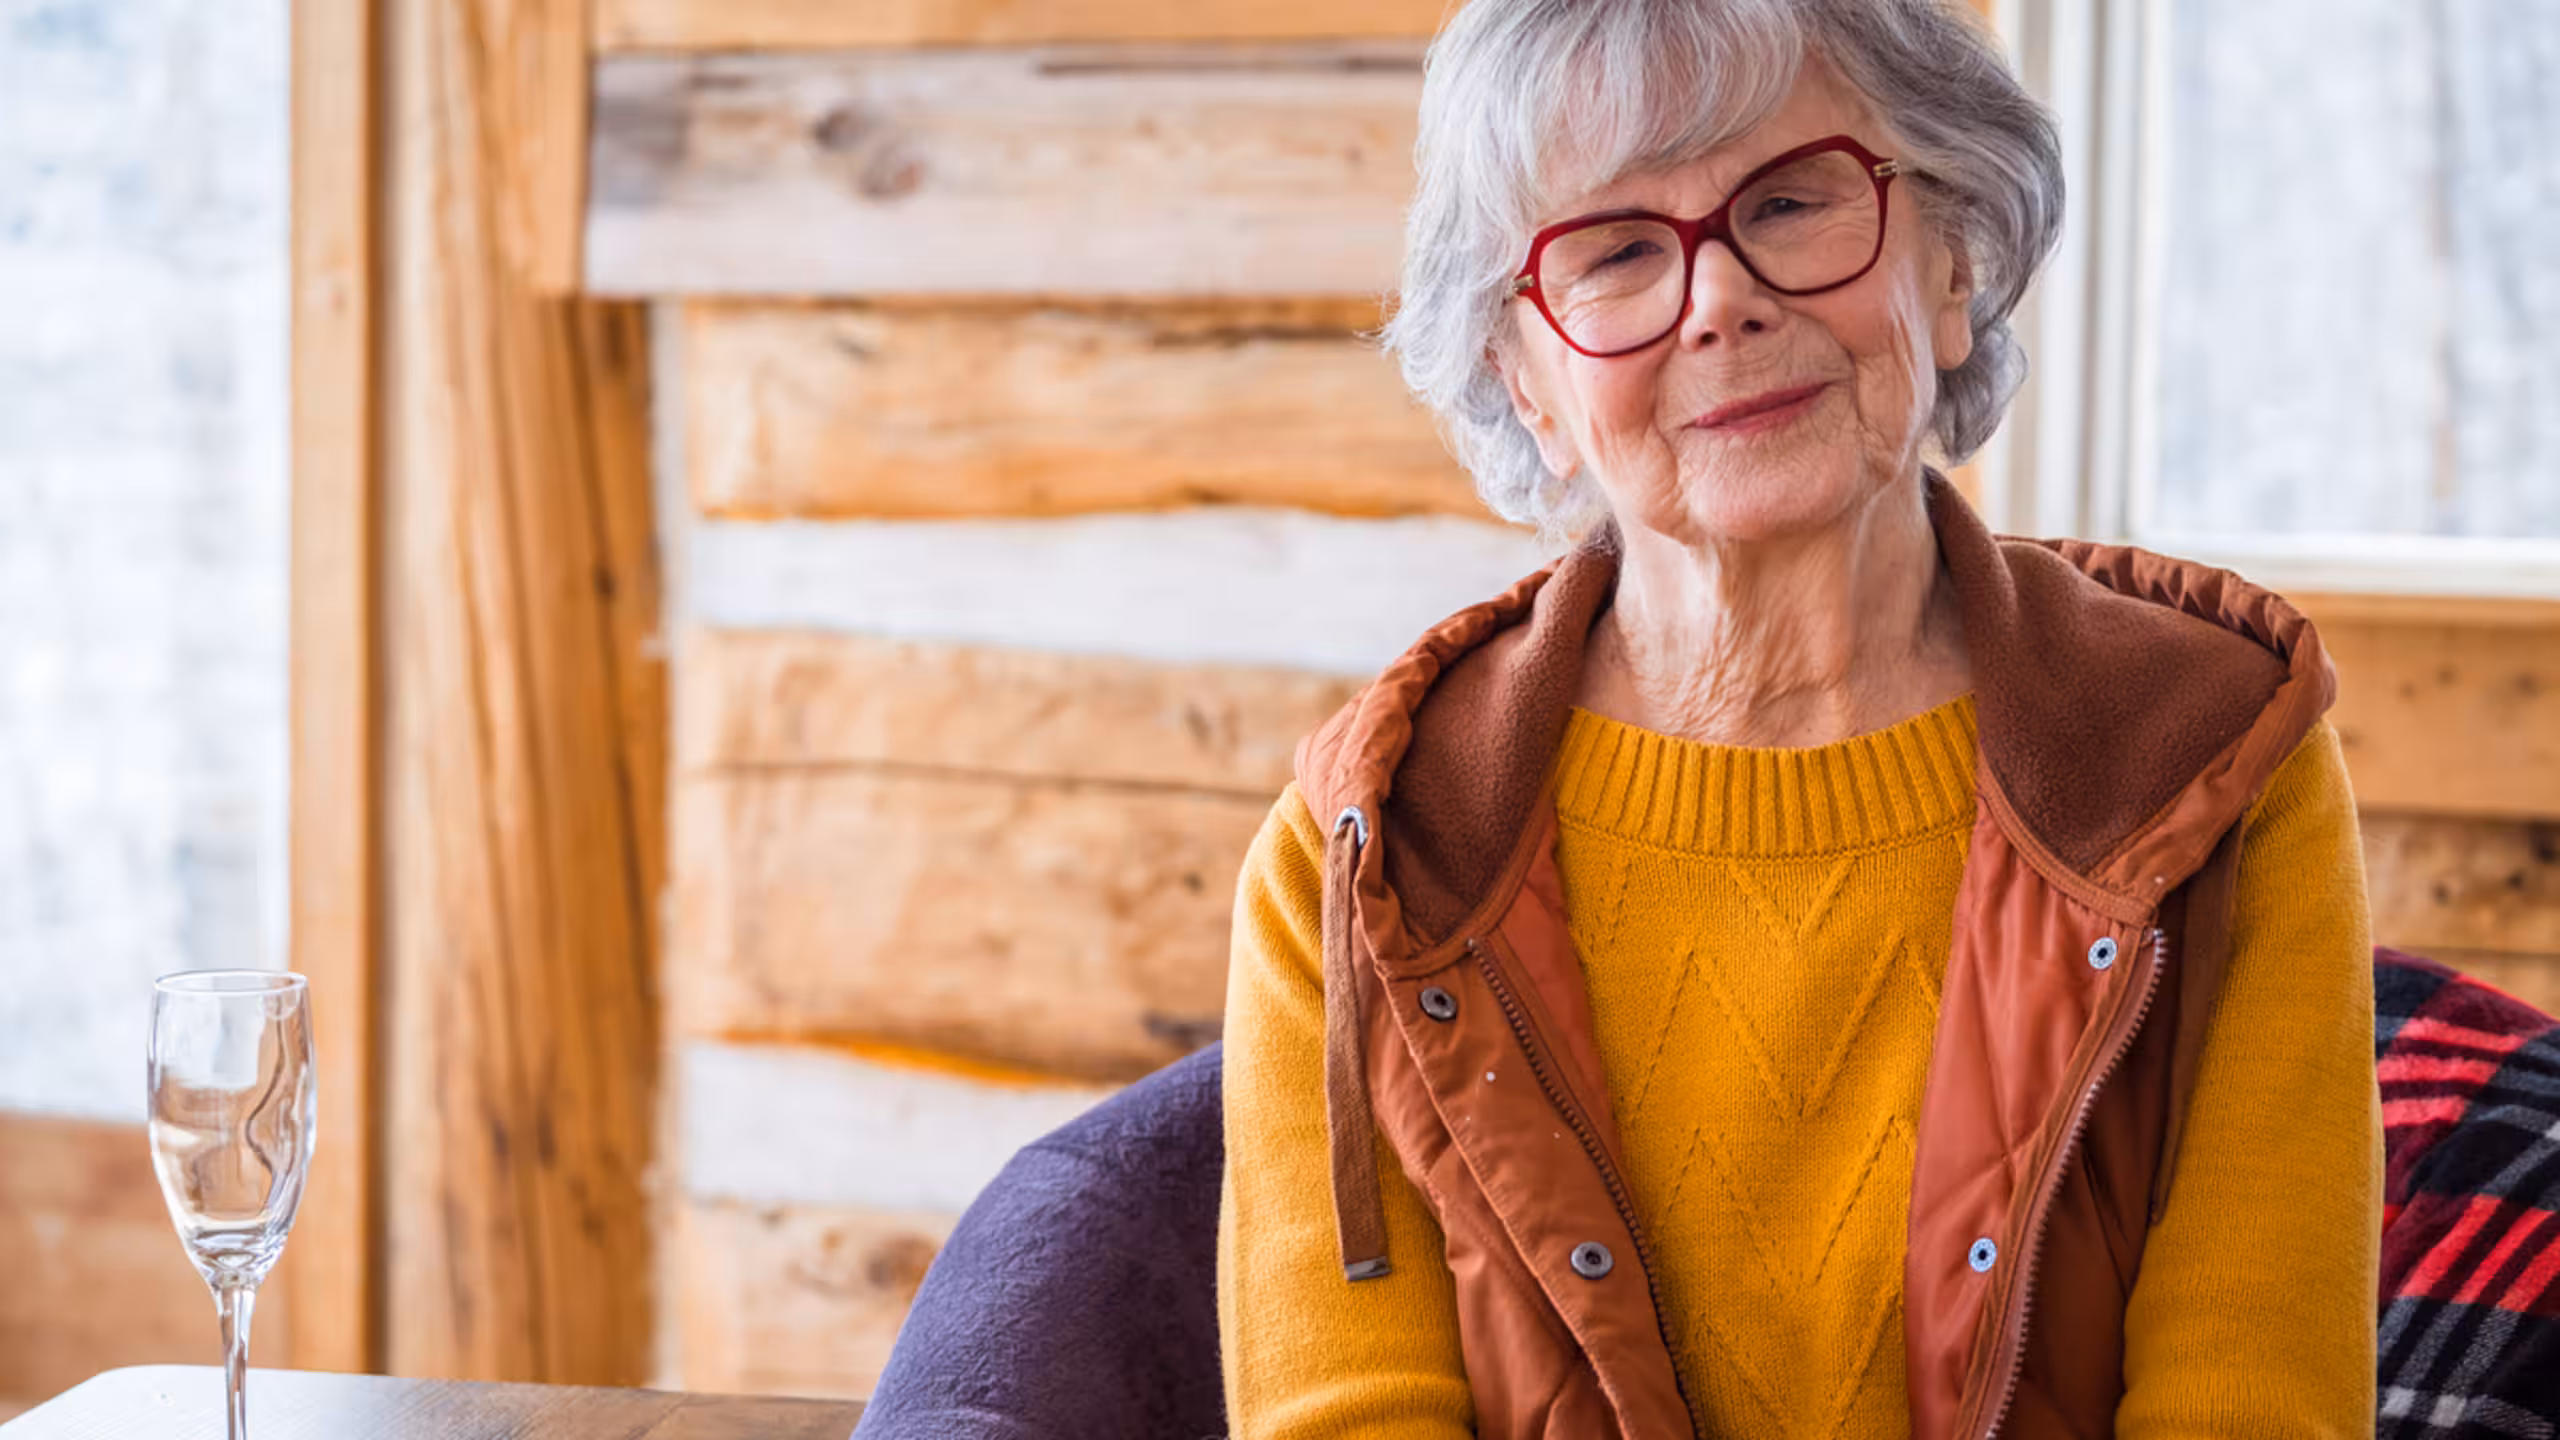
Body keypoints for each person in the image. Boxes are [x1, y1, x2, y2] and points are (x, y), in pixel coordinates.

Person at [1215, 0, 2383, 1435]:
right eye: (1617, 252)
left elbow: (2249, 1404)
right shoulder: (1367, 856)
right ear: (1527, 381)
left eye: (1791, 200)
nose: (1718, 299)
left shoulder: (2209, 766)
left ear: (1952, 265)